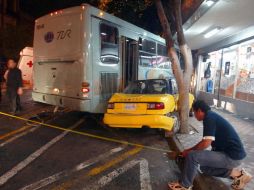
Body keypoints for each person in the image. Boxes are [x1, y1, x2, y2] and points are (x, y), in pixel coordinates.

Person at [168, 100, 252, 190]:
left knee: (192, 156)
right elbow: (208, 141)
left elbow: (205, 143)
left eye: (194, 112)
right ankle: (238, 174)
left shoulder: (209, 118)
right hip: (230, 155)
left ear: (199, 110)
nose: (194, 115)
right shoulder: (211, 116)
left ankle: (185, 185)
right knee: (205, 168)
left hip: (232, 157)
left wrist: (188, 151)